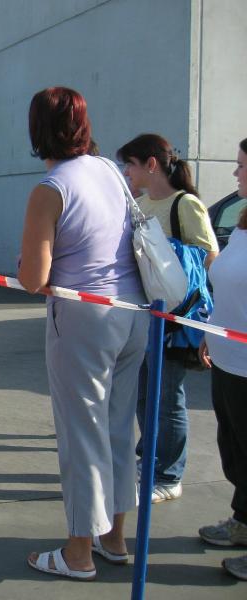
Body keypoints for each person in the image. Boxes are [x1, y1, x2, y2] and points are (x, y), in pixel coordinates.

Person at [19, 87, 149, 581]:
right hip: (133, 310)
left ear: (38, 130)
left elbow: (34, 278)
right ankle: (113, 537)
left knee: (81, 433)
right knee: (118, 427)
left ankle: (78, 553)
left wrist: (28, 262)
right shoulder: (110, 171)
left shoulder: (50, 189)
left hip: (83, 318)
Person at [117, 133, 219, 504]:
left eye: (130, 164)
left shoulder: (185, 204)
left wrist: (209, 320)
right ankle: (149, 460)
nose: (126, 172)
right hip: (147, 318)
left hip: (176, 322)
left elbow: (209, 258)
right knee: (145, 396)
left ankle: (169, 475)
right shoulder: (141, 204)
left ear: (151, 164)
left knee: (168, 398)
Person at [198, 137, 247, 581]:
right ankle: (243, 522)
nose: (235, 174)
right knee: (234, 451)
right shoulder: (244, 222)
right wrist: (211, 332)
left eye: (242, 166)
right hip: (228, 359)